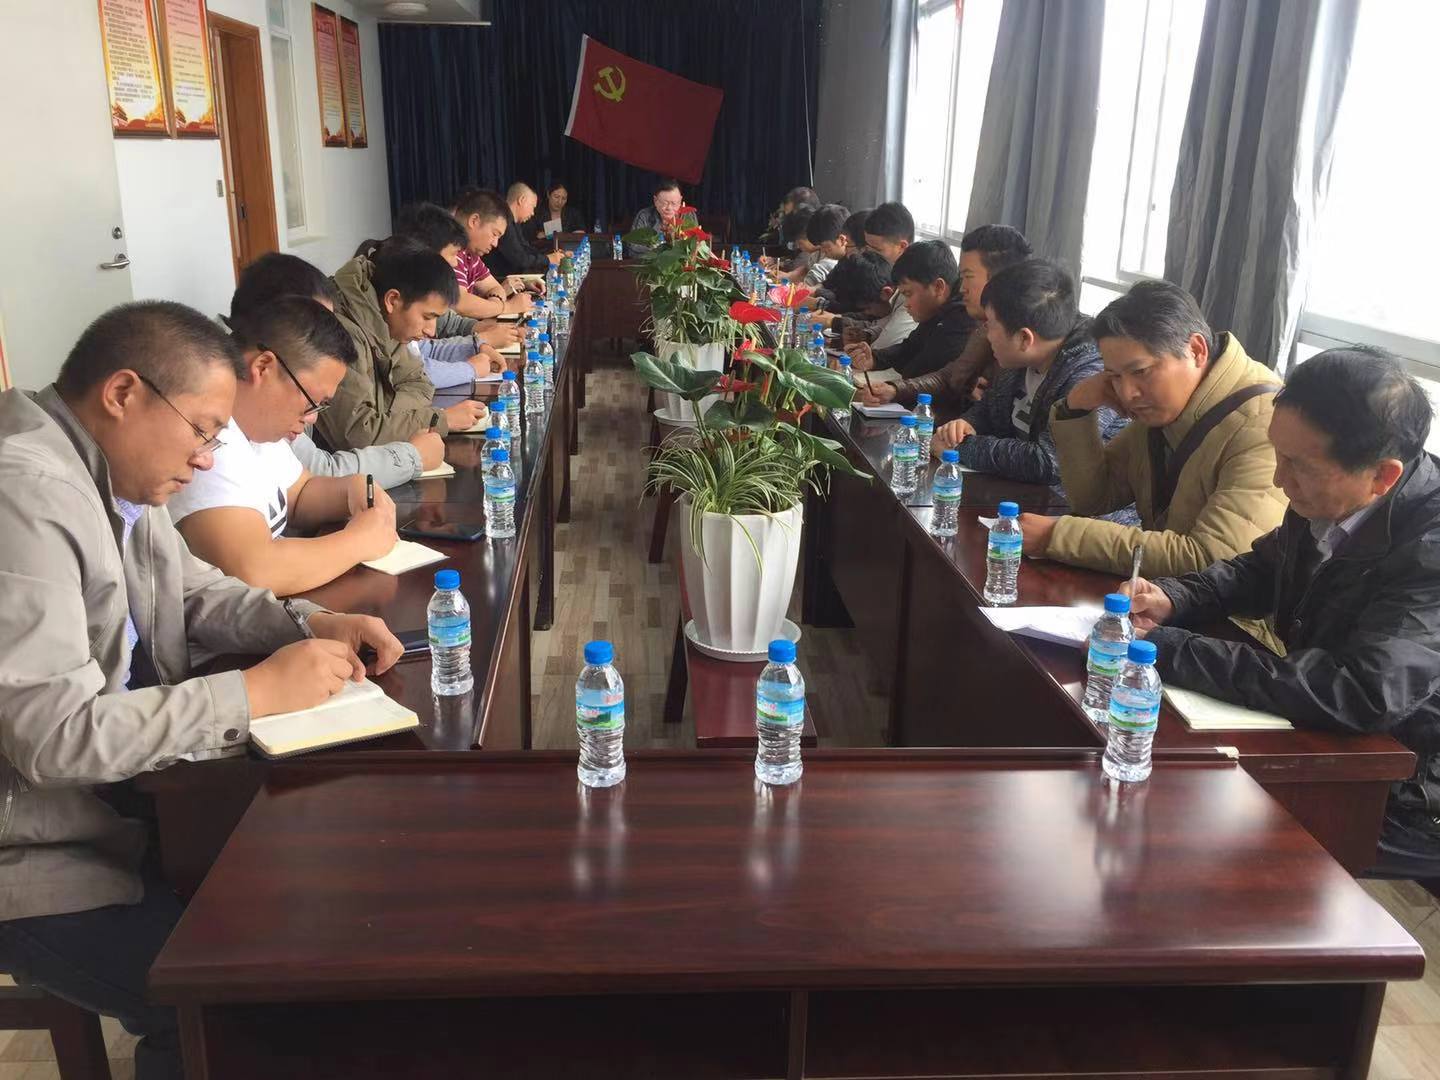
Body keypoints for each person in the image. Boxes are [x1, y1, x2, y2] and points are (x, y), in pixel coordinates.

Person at [0, 300, 402, 1080]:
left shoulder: (109, 471)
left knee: (310, 906)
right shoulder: (26, 494)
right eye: (203, 431)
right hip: (33, 851)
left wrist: (310, 623)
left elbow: (194, 593)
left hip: (119, 802)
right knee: (220, 1007)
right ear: (124, 393)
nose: (208, 459)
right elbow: (53, 739)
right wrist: (250, 696)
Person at [1122, 348, 1440, 876]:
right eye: (1278, 454)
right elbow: (1265, 568)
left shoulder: (1429, 551)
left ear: (1382, 476)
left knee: (1203, 837)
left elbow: (1361, 691)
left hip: (1409, 788)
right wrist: (1179, 596)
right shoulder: (1333, 496)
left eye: (1298, 466)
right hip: (1337, 743)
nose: (1278, 479)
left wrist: (1172, 649)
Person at [1022, 279, 1286, 577]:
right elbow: (1094, 497)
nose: (1127, 393)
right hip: (1166, 593)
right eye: (1114, 376)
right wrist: (1076, 409)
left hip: (1223, 607)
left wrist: (1058, 536)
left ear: (1196, 350)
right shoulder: (1167, 407)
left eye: (1141, 371)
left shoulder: (1263, 426)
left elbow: (1216, 560)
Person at [169, 297, 401, 596]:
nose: (312, 418)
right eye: (311, 402)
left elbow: (299, 493)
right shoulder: (207, 446)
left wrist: (351, 488)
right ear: (263, 367)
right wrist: (359, 542)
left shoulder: (260, 429)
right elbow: (255, 571)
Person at [228, 252, 444, 486]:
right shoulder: (234, 415)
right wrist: (413, 456)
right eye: (318, 327)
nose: (311, 418)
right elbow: (320, 473)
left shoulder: (269, 403)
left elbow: (303, 486)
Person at [928, 258, 1124, 485]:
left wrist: (961, 448)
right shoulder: (1023, 358)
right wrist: (964, 426)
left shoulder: (1090, 371)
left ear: (1024, 338)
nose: (986, 335)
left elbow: (1051, 462)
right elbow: (989, 408)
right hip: (1017, 493)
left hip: (1064, 503)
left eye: (990, 325)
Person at [317, 238, 485, 449]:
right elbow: (357, 434)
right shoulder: (340, 333)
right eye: (427, 317)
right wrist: (438, 420)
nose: (431, 331)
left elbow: (420, 383)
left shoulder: (385, 320)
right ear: (392, 300)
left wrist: (386, 419)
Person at [866, 224, 1033, 412]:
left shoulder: (969, 321)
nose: (962, 288)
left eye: (968, 277)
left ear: (1000, 279)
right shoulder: (985, 328)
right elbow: (950, 377)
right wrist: (895, 389)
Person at [845, 240, 974, 381]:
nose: (906, 304)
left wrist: (894, 388)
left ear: (938, 287)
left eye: (908, 294)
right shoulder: (936, 309)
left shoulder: (962, 319)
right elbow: (910, 347)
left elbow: (918, 371)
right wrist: (874, 359)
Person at [818, 201, 917, 351]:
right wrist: (867, 335)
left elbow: (886, 343)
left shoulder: (912, 287)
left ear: (901, 247)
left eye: (876, 250)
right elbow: (886, 321)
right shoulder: (891, 276)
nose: (867, 254)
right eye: (867, 247)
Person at [450, 187, 536, 321]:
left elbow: (494, 287)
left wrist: (495, 303)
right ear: (474, 221)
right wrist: (507, 307)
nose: (495, 244)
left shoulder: (471, 254)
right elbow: (460, 303)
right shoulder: (450, 248)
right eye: (494, 234)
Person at [487, 182, 565, 279]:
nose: (533, 213)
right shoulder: (503, 221)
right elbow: (520, 259)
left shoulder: (515, 223)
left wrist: (553, 256)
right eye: (532, 207)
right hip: (501, 279)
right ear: (521, 200)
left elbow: (526, 248)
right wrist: (548, 259)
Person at [628, 178, 685, 255]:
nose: (669, 208)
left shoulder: (687, 216)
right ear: (655, 201)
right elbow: (633, 247)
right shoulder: (644, 216)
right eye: (664, 203)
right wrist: (660, 253)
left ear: (680, 200)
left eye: (674, 203)